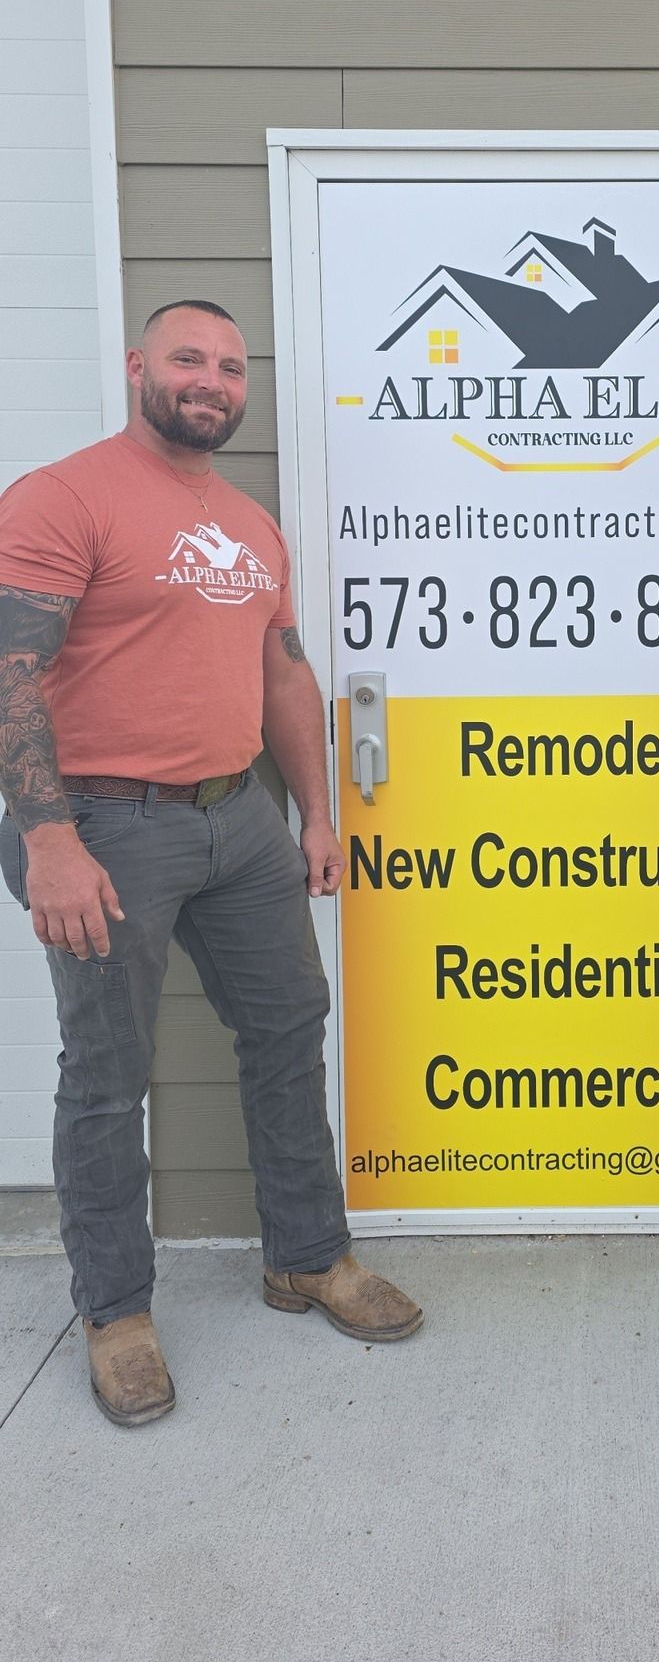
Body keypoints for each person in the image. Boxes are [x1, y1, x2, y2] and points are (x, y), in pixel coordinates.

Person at [0, 300, 422, 1428]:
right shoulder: (64, 495)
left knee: (288, 1025)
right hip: (102, 822)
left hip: (238, 819)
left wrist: (316, 816)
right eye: (189, 358)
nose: (212, 380)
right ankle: (117, 1311)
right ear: (140, 366)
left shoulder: (247, 523)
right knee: (108, 1071)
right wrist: (46, 839)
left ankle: (307, 1255)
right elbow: (12, 672)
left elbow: (283, 674)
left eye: (232, 367)